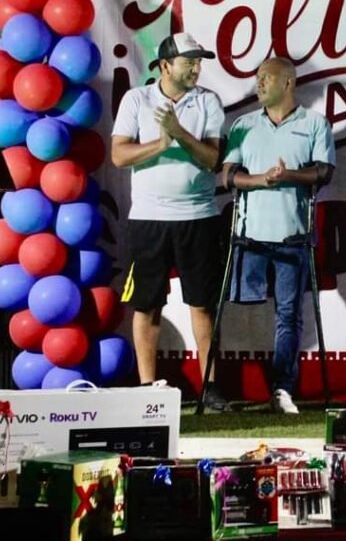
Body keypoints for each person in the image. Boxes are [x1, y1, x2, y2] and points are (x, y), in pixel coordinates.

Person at [111, 32, 228, 411]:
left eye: (199, 61)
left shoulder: (208, 101)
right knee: (146, 305)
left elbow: (212, 160)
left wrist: (179, 133)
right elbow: (119, 155)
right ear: (165, 66)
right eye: (189, 61)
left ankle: (210, 389)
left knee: (203, 305)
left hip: (199, 216)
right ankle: (148, 388)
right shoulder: (137, 99)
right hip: (148, 219)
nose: (196, 68)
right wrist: (160, 145)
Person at [220, 57, 335, 414]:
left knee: (288, 314)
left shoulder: (314, 123)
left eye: (266, 78)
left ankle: (282, 388)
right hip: (249, 236)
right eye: (257, 78)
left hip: (293, 237)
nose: (259, 83)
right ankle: (225, 388)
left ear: (288, 83)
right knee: (237, 309)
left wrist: (288, 177)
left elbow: (324, 172)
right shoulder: (243, 125)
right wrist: (260, 180)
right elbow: (227, 175)